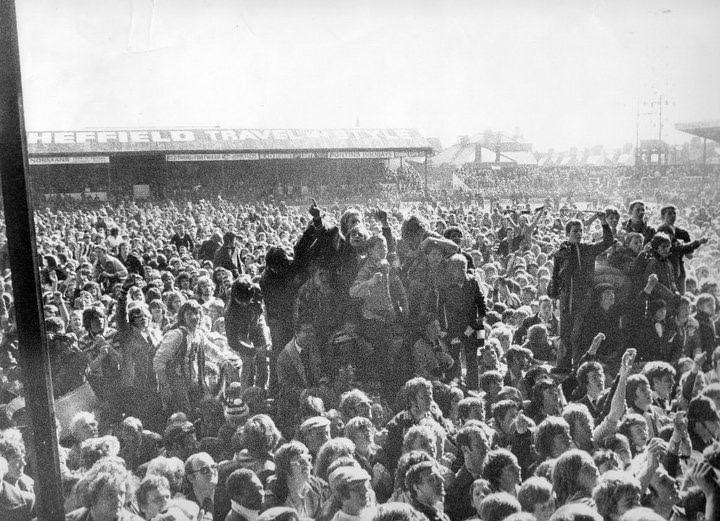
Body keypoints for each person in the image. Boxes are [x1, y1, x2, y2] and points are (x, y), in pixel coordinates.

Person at [548, 215, 613, 370]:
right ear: (567, 233)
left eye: (581, 231)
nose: (579, 234)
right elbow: (556, 276)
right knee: (565, 333)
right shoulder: (560, 253)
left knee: (579, 333)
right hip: (566, 299)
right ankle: (563, 365)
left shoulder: (588, 249)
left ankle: (579, 365)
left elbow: (608, 241)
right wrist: (554, 297)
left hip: (584, 298)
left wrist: (603, 222)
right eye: (575, 231)